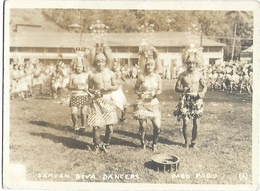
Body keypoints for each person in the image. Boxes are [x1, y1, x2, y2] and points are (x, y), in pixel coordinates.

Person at [174, 45, 207, 149]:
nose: (191, 65)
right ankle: (186, 142)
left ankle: (194, 142)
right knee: (186, 122)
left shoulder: (199, 75)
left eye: (193, 63)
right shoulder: (182, 75)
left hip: (196, 99)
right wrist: (183, 90)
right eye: (189, 63)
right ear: (186, 64)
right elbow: (176, 88)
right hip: (185, 100)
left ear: (196, 63)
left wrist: (202, 93)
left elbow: (205, 86)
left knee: (196, 122)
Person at [88, 51, 119, 153]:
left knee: (109, 126)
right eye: (98, 62)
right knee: (96, 125)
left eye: (102, 62)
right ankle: (96, 144)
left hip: (108, 99)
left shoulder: (110, 73)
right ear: (95, 63)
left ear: (105, 62)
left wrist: (108, 87)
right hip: (97, 100)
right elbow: (89, 88)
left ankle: (106, 144)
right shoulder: (92, 75)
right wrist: (94, 91)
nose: (100, 64)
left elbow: (116, 86)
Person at [133, 58, 162, 151]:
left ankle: (154, 144)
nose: (150, 67)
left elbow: (160, 89)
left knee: (158, 126)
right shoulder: (141, 76)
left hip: (153, 103)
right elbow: (136, 88)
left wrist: (156, 93)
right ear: (145, 66)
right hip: (142, 103)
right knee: (143, 126)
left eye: (151, 65)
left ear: (154, 66)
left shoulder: (158, 77)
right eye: (148, 65)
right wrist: (139, 94)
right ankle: (143, 143)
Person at [68, 59, 89, 131]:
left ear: (83, 67)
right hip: (75, 95)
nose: (79, 68)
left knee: (83, 113)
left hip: (84, 95)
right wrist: (75, 87)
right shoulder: (72, 75)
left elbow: (90, 85)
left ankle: (83, 126)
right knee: (73, 113)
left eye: (80, 67)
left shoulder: (86, 75)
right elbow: (69, 86)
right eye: (77, 67)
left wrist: (87, 87)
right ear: (75, 67)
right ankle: (75, 125)